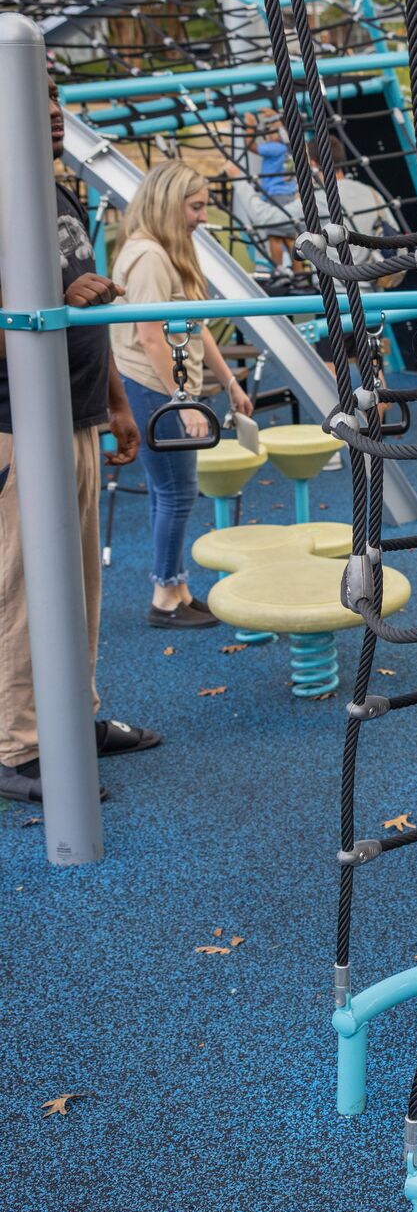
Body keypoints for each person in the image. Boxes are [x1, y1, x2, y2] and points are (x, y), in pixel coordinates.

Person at [0, 74, 161, 804]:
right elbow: (48, 310)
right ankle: (19, 746)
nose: (55, 114)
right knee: (23, 589)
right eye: (35, 102)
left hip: (77, 413)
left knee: (80, 584)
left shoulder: (56, 193)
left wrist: (117, 402)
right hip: (16, 426)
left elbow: (88, 308)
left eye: (56, 100)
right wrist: (55, 305)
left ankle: (71, 718)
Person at [110, 163, 253, 630]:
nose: (203, 217)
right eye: (196, 207)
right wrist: (183, 399)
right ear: (170, 204)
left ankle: (177, 589)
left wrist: (228, 382)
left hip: (161, 387)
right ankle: (164, 597)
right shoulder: (149, 256)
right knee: (177, 491)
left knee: (166, 490)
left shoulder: (166, 250)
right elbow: (150, 335)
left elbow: (195, 325)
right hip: (153, 387)